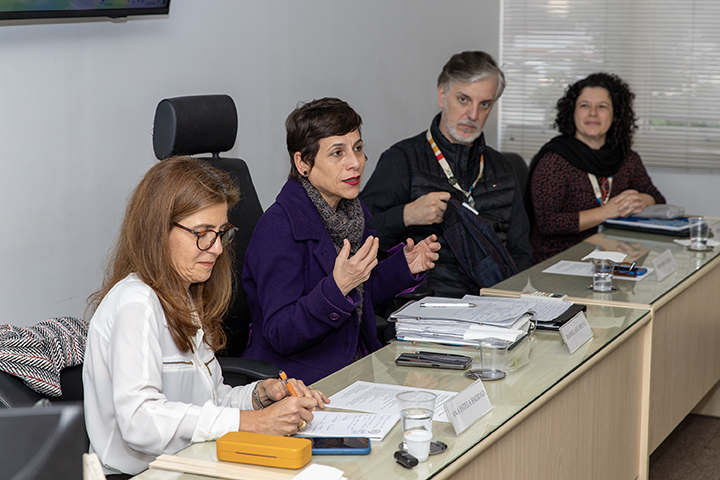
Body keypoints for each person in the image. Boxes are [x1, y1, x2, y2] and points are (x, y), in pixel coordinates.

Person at [83, 157, 328, 478]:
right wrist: (249, 423)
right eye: (202, 233)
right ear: (158, 230)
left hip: (193, 462)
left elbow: (209, 401)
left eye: (221, 233)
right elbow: (139, 420)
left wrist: (259, 396)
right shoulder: (136, 301)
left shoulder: (185, 296)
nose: (215, 248)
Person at [241, 97, 440, 384]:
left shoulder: (352, 214)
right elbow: (280, 334)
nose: (355, 163)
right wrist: (337, 288)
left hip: (356, 366)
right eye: (337, 153)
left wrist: (403, 267)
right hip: (301, 381)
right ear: (303, 163)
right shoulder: (278, 228)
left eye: (357, 148)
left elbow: (359, 294)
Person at [360, 51, 533, 298]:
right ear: (442, 95)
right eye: (463, 100)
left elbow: (521, 250)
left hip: (494, 305)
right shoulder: (403, 159)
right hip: (425, 309)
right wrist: (406, 215)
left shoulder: (502, 167)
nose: (473, 115)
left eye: (484, 104)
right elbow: (359, 235)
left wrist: (509, 299)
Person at [527, 73, 666, 263]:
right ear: (572, 112)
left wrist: (639, 200)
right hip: (560, 260)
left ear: (615, 114)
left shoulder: (626, 158)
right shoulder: (554, 160)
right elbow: (547, 223)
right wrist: (606, 213)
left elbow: (658, 200)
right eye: (584, 105)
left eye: (602, 106)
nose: (593, 113)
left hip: (614, 254)